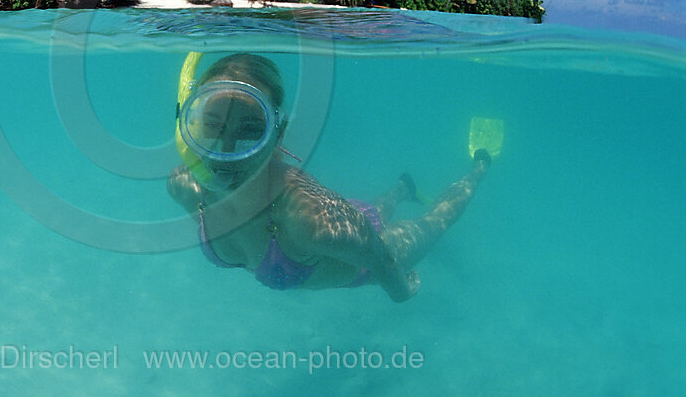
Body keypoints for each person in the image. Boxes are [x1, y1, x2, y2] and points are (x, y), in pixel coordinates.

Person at [167, 53, 492, 302]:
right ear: (189, 125)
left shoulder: (311, 223)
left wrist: (402, 293)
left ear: (278, 135)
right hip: (348, 219)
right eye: (212, 124)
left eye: (252, 130)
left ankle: (480, 167)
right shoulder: (185, 188)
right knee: (374, 212)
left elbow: (382, 257)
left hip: (366, 245)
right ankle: (401, 189)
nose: (226, 150)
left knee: (436, 220)